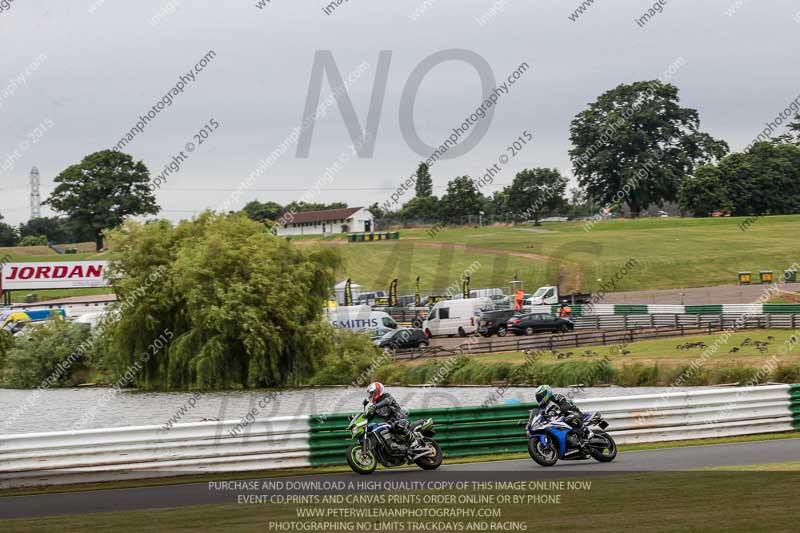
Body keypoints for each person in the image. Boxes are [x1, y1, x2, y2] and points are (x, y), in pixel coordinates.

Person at [365, 382, 423, 449]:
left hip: (400, 420)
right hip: (390, 424)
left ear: (379, 390)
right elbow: (369, 416)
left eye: (373, 392)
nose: (372, 394)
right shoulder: (375, 406)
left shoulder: (387, 396)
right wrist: (361, 419)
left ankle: (414, 441)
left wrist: (375, 406)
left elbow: (387, 401)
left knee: (397, 425)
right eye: (371, 393)